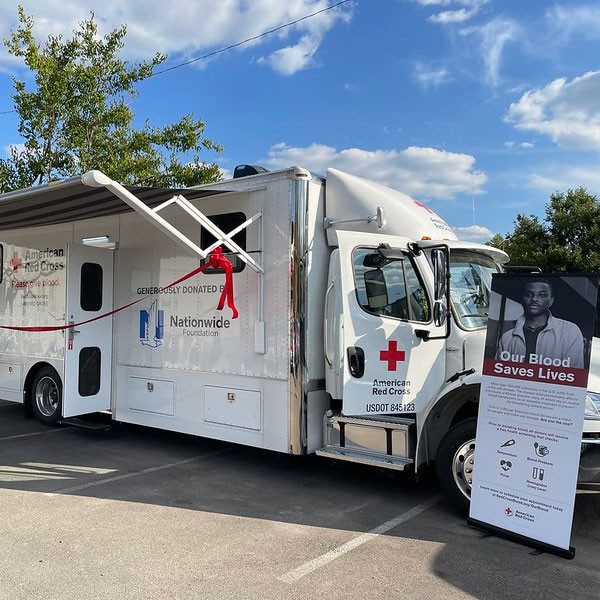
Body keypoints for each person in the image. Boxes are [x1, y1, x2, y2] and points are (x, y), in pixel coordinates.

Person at [496, 279, 585, 368]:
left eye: (542, 295)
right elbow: (498, 373)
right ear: (522, 300)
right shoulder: (506, 337)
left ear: (551, 301)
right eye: (528, 295)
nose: (534, 299)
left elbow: (573, 375)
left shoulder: (570, 331)